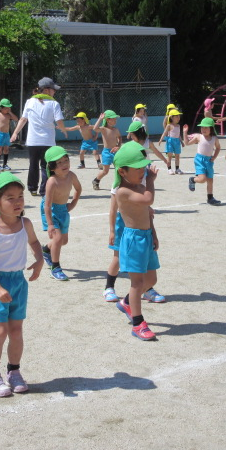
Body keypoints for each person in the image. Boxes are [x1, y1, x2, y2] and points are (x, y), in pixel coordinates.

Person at [0, 172, 43, 396]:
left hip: (18, 283)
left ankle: (14, 372)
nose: (17, 202)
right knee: (0, 331)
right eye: (10, 198)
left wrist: (40, 260)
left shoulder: (25, 223)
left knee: (16, 330)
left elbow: (34, 242)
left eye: (20, 196)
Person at [103, 121, 166, 304]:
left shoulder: (140, 174)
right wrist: (112, 230)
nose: (142, 169)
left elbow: (145, 202)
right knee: (118, 257)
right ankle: (109, 287)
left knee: (144, 261)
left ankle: (146, 289)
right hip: (124, 223)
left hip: (141, 221)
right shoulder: (120, 185)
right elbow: (114, 208)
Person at [113, 141, 160, 341]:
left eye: (144, 167)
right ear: (122, 172)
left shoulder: (138, 186)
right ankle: (138, 323)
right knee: (137, 282)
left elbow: (147, 212)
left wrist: (154, 234)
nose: (142, 171)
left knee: (151, 280)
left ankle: (126, 302)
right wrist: (151, 180)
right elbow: (148, 200)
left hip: (146, 237)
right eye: (138, 168)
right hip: (133, 240)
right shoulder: (122, 191)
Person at [11, 78, 68, 197]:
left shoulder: (30, 102)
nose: (54, 92)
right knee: (46, 165)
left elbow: (23, 119)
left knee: (33, 164)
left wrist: (15, 133)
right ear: (47, 90)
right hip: (48, 140)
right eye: (53, 89)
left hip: (33, 140)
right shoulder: (54, 103)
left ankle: (32, 188)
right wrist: (63, 129)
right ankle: (44, 190)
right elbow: (59, 121)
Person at [40, 146, 81, 281]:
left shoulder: (71, 175)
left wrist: (73, 203)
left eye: (66, 160)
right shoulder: (52, 181)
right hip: (50, 210)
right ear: (52, 167)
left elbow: (78, 189)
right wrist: (50, 224)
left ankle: (46, 250)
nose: (65, 164)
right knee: (57, 239)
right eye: (59, 162)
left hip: (63, 209)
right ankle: (55, 268)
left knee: (63, 241)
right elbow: (47, 204)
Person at [186, 117, 221, 205]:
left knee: (210, 180)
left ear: (211, 128)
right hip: (199, 160)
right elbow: (187, 143)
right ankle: (192, 180)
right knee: (202, 179)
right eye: (202, 127)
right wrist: (184, 132)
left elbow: (218, 147)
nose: (203, 129)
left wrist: (214, 157)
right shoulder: (199, 137)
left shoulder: (214, 138)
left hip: (209, 161)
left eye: (206, 127)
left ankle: (210, 198)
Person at [92, 110, 122, 190]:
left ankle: (121, 184)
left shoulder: (116, 129)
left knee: (119, 168)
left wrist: (118, 146)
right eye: (113, 119)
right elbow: (95, 128)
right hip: (107, 152)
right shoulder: (103, 129)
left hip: (115, 152)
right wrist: (100, 119)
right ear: (108, 120)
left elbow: (120, 137)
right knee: (105, 171)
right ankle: (96, 180)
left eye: (115, 119)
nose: (115, 120)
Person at [0, 100, 18, 171]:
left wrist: (10, 112)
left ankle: (5, 164)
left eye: (8, 108)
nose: (7, 109)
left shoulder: (9, 115)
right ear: (1, 108)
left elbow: (16, 119)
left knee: (6, 149)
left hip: (7, 134)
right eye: (6, 108)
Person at [158, 109, 186, 175]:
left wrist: (181, 142)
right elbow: (164, 133)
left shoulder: (178, 126)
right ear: (172, 117)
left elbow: (178, 135)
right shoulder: (169, 125)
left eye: (179, 116)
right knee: (169, 156)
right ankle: (169, 169)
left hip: (177, 142)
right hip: (170, 141)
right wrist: (161, 140)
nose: (178, 118)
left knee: (177, 156)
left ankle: (177, 169)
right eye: (177, 116)